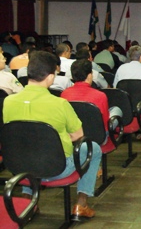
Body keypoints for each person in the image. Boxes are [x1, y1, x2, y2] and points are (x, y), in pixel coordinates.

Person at [2, 51, 102, 220]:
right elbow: (79, 135)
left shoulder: (8, 101)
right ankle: (81, 203)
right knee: (94, 148)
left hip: (20, 166)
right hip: (56, 167)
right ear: (50, 77)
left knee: (28, 144)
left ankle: (28, 199)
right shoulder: (59, 104)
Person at [61, 59, 122, 137]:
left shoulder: (64, 94)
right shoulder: (100, 95)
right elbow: (105, 124)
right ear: (90, 76)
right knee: (117, 110)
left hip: (75, 135)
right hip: (98, 137)